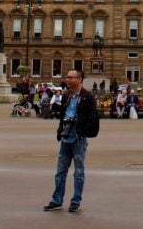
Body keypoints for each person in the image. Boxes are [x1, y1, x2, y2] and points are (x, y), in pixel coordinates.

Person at [44, 69, 99, 214]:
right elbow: (63, 115)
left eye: (70, 77)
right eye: (67, 77)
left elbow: (93, 118)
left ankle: (75, 201)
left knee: (79, 172)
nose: (67, 80)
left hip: (78, 139)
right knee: (60, 172)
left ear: (79, 79)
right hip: (65, 137)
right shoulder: (67, 95)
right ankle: (57, 200)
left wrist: (82, 129)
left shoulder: (87, 97)